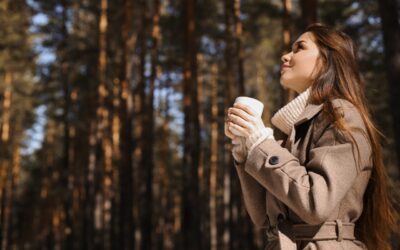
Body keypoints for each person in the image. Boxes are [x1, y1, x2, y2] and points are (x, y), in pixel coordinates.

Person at [224, 23, 399, 250]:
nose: (285, 56)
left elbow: (316, 202)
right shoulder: (289, 130)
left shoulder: (341, 115)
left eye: (299, 48)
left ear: (327, 60)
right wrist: (245, 149)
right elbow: (263, 218)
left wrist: (261, 144)